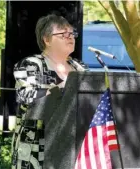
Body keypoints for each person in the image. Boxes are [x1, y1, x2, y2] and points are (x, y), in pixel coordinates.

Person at [11, 14, 88, 169]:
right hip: (38, 147)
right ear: (47, 40)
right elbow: (28, 97)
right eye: (63, 34)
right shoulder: (31, 64)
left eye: (72, 33)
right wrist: (65, 87)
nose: (70, 37)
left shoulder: (80, 67)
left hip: (73, 145)